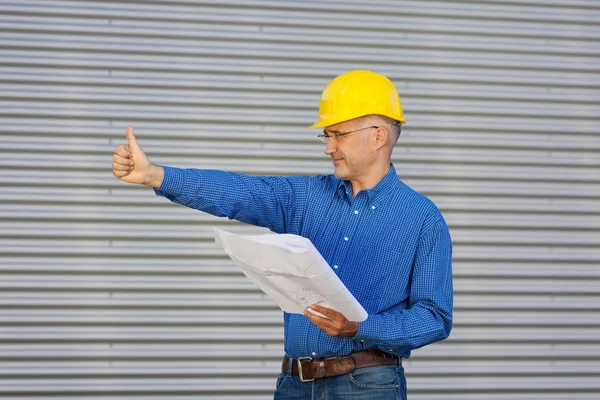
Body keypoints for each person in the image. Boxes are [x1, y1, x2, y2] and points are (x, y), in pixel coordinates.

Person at [112, 70, 453, 399]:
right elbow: (240, 191)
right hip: (295, 384)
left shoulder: (422, 220)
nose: (328, 148)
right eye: (327, 135)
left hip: (367, 387)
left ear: (378, 136)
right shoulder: (304, 197)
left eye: (338, 135)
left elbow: (434, 318)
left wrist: (360, 327)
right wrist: (154, 175)